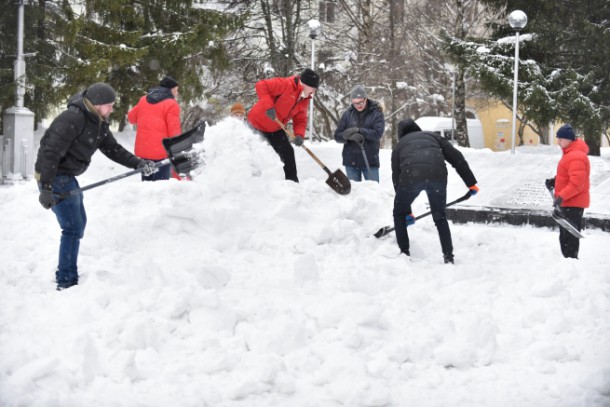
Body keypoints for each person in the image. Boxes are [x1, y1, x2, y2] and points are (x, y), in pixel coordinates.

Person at [35, 83, 157, 290]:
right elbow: (50, 151)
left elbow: (113, 149)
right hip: (54, 176)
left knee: (78, 224)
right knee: (72, 228)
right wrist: (46, 186)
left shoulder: (97, 122)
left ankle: (67, 273)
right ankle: (66, 280)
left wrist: (138, 163)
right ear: (97, 104)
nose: (111, 109)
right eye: (109, 105)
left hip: (65, 176)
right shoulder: (73, 118)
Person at [391, 118, 479, 264]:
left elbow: (397, 177)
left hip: (411, 177)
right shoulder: (433, 136)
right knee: (440, 217)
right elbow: (457, 158)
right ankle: (448, 256)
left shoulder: (399, 146)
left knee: (398, 213)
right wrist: (471, 183)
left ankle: (405, 255)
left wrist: (406, 211)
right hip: (437, 175)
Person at [247, 68, 320, 182]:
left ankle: (292, 184)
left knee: (288, 152)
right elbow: (261, 85)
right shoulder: (286, 84)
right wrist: (268, 106)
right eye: (313, 88)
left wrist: (299, 135)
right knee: (254, 155)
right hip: (256, 125)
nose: (314, 92)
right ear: (305, 84)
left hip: (276, 128)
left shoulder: (304, 99)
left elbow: (300, 120)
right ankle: (251, 182)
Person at [545, 124, 590, 259]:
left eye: (561, 139)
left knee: (569, 237)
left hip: (573, 203)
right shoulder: (570, 154)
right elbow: (569, 176)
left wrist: (561, 196)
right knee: (565, 236)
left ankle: (571, 262)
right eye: (558, 139)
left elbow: (577, 183)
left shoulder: (576, 155)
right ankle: (567, 263)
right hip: (568, 202)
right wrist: (555, 180)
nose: (558, 142)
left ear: (570, 139)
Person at [128, 75, 182, 181]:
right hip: (161, 153)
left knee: (146, 185)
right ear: (170, 89)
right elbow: (174, 130)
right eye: (176, 90)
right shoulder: (171, 104)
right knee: (160, 187)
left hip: (143, 151)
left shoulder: (144, 100)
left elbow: (131, 118)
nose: (177, 92)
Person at [334, 85, 385, 182]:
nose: (358, 105)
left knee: (372, 192)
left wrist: (359, 130)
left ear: (365, 99)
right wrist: (348, 136)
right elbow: (337, 136)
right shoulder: (347, 114)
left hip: (370, 161)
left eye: (360, 102)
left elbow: (377, 134)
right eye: (355, 103)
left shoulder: (376, 113)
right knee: (354, 194)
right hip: (351, 161)